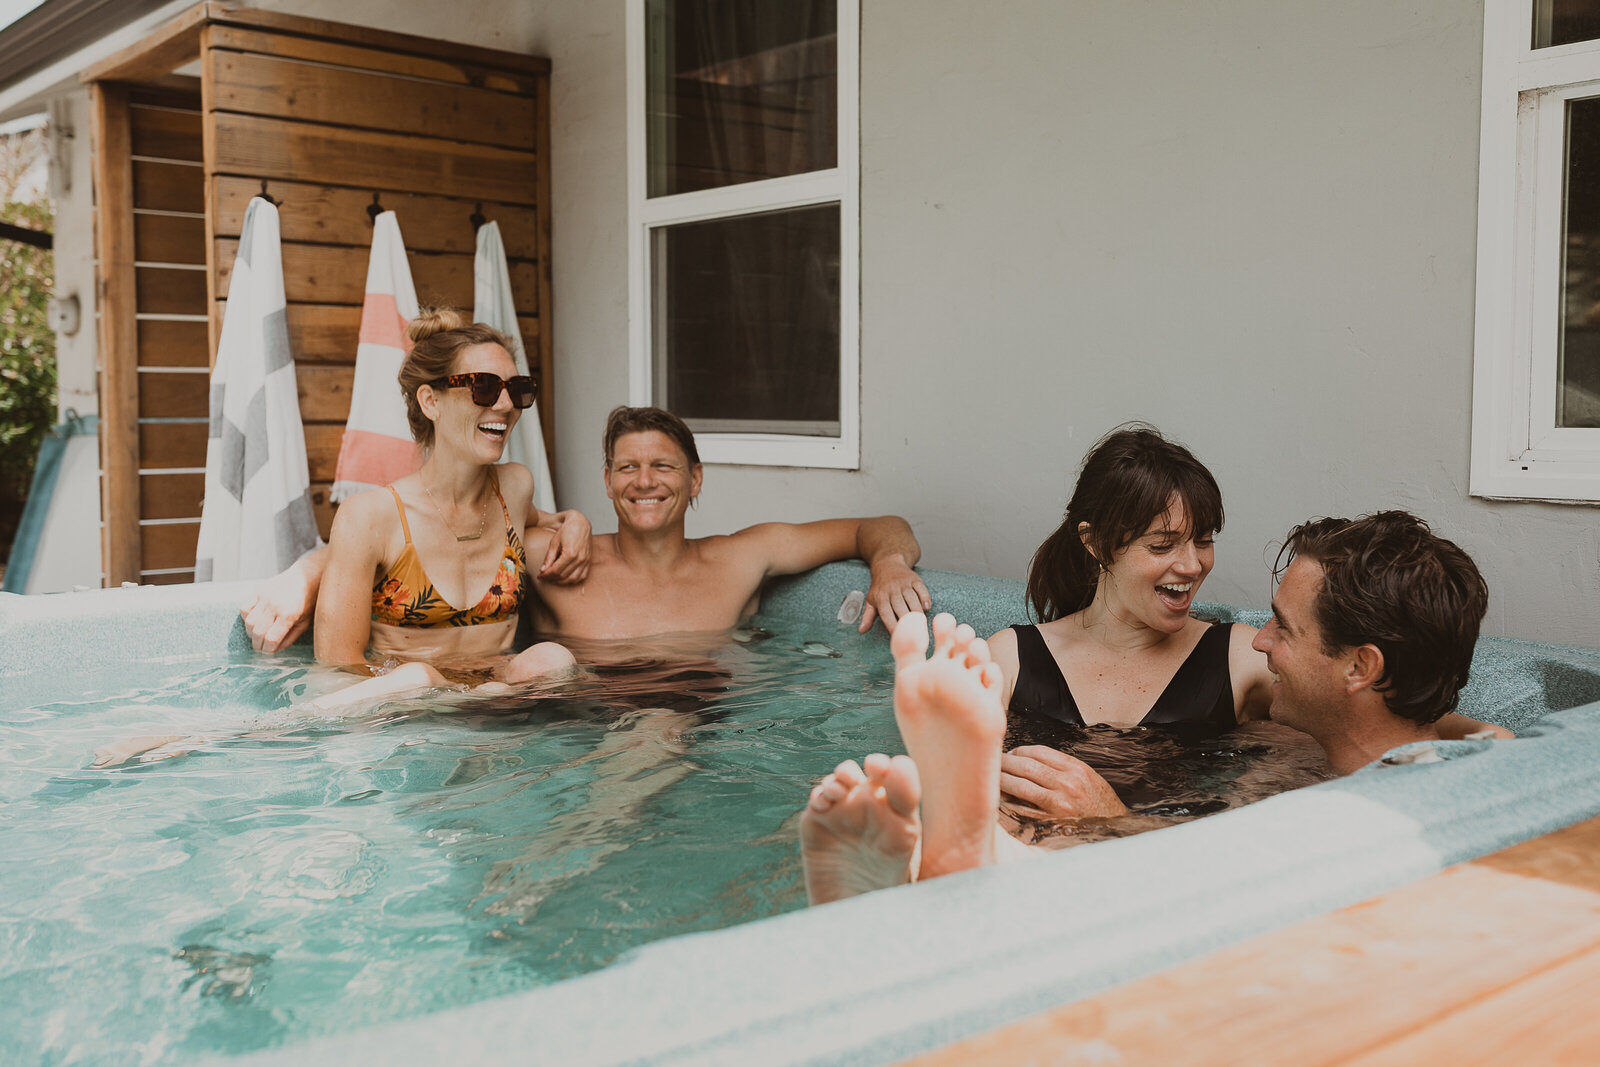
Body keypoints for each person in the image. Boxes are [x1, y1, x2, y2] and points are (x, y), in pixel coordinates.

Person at [800, 511, 1500, 904]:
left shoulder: (1414, 805)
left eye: (1283, 627)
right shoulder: (1304, 752)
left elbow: (1244, 887)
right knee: (1061, 843)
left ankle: (958, 862)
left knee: (1088, 861)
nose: (1260, 641)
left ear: (1361, 666)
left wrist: (1116, 819)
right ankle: (966, 855)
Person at [983, 427, 1500, 822]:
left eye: (1204, 540)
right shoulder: (1009, 658)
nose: (1191, 566)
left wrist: (1479, 735)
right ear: (1095, 544)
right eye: (1161, 545)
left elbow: (1377, 709)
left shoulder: (1241, 660)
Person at [244, 405, 931, 651]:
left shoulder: (746, 555)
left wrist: (891, 565)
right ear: (606, 482)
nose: (644, 481)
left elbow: (881, 524)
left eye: (663, 466)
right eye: (626, 467)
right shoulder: (554, 555)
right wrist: (312, 570)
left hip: (707, 725)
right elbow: (425, 540)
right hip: (566, 727)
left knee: (661, 727)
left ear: (695, 480)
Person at [302, 308, 578, 708]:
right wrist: (438, 692)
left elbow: (548, 519)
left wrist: (577, 523)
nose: (505, 405)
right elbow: (336, 670)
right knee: (416, 677)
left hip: (499, 704)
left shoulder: (514, 488)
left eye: (517, 388)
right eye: (483, 387)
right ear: (430, 401)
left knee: (552, 659)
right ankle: (232, 738)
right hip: (410, 714)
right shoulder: (371, 516)